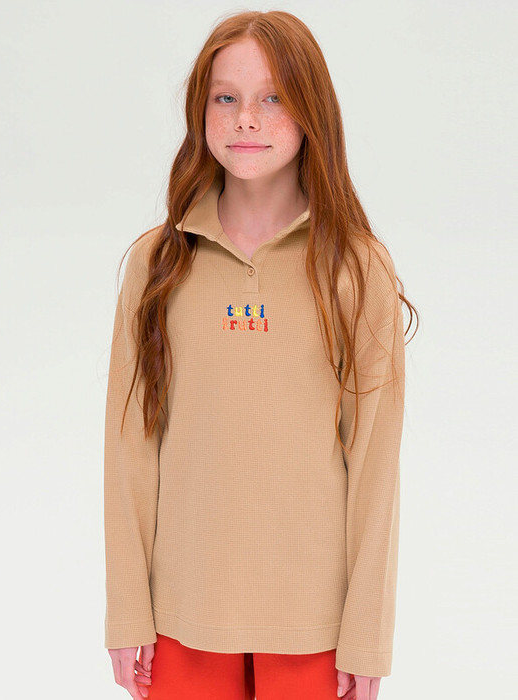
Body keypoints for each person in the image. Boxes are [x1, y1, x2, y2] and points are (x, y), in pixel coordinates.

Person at [103, 9, 418, 700]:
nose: (246, 118)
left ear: (311, 112)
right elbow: (129, 449)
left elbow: (374, 466)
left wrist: (366, 633)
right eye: (226, 97)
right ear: (201, 111)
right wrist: (127, 611)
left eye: (272, 96)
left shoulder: (356, 267)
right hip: (181, 617)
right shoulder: (157, 263)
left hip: (314, 626)